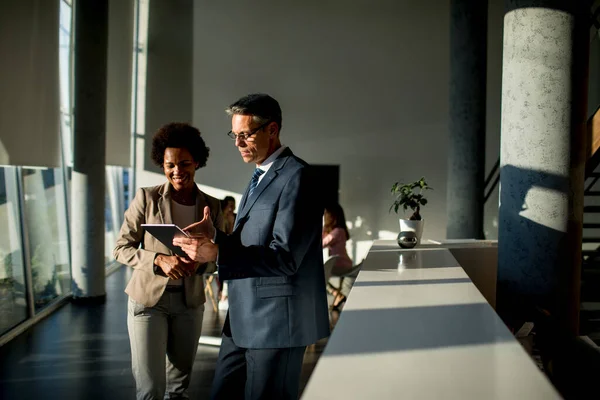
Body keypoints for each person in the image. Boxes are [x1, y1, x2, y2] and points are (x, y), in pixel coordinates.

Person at [173, 93, 330, 400]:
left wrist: (218, 252)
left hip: (276, 324)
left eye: (245, 134)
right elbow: (254, 243)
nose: (238, 143)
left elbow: (285, 257)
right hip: (242, 320)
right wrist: (217, 235)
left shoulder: (298, 177)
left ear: (272, 130)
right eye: (235, 134)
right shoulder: (259, 175)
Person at [113, 122, 223, 400]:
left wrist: (199, 262)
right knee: (150, 390)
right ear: (161, 164)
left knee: (178, 389)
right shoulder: (146, 198)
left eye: (184, 163)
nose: (177, 172)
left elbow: (220, 258)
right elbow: (120, 249)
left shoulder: (212, 206)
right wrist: (159, 260)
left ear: (197, 161)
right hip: (149, 302)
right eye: (169, 165)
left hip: (189, 303)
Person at [322, 203, 354, 310]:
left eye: (326, 214)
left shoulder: (338, 232)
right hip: (342, 263)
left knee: (319, 276)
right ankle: (338, 296)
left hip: (340, 265)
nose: (324, 216)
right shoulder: (338, 231)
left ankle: (335, 293)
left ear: (332, 216)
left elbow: (323, 243)